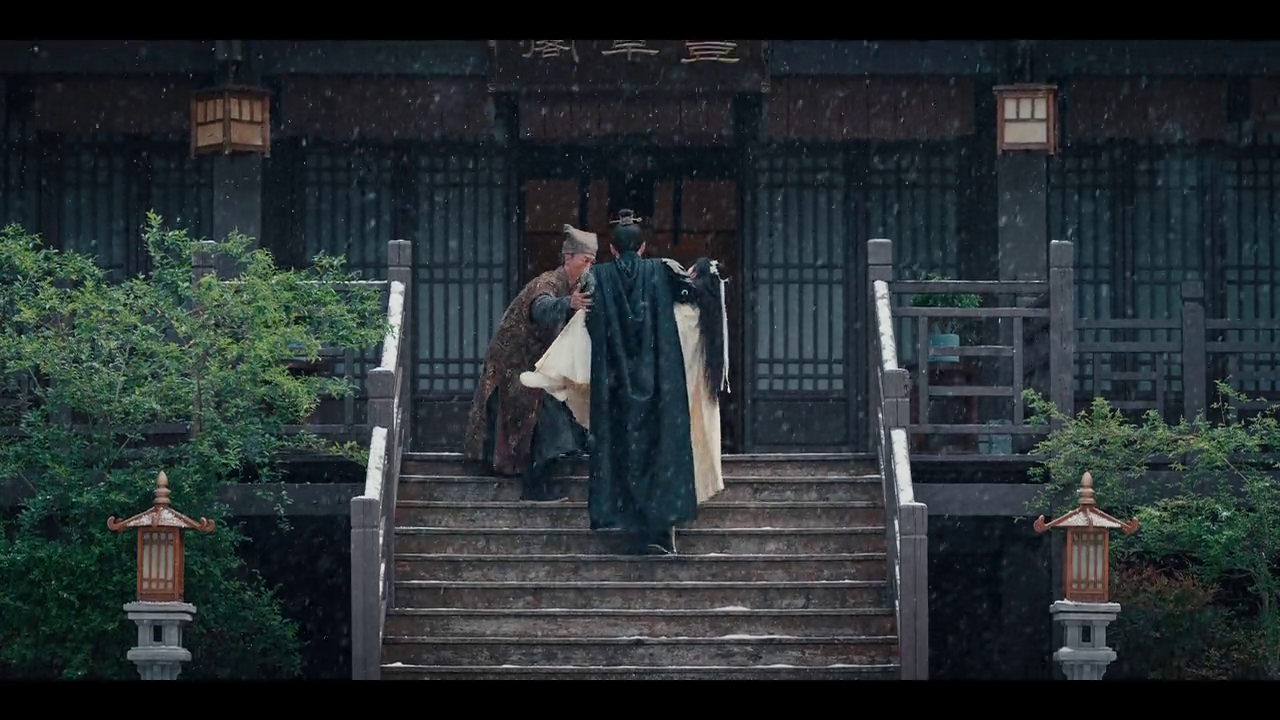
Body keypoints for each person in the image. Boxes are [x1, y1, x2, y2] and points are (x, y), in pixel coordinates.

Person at [521, 209, 723, 554]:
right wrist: (705, 270)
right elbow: (692, 295)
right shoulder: (663, 271)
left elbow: (585, 315)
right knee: (658, 450)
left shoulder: (596, 277)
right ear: (643, 247)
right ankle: (658, 530)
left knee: (620, 450)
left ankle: (626, 523)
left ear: (612, 250)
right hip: (659, 381)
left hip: (614, 384)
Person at [461, 224, 596, 502]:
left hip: (537, 369)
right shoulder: (547, 283)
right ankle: (535, 485)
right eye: (585, 261)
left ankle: (549, 473)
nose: (589, 268)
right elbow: (541, 308)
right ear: (568, 258)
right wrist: (566, 304)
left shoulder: (576, 290)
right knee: (546, 410)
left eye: (592, 262)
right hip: (513, 369)